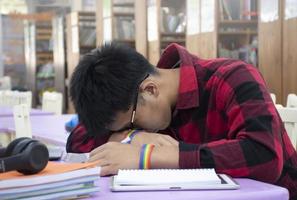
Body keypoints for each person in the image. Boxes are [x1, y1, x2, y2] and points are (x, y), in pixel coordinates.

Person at [67, 43, 297, 199]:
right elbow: (77, 141)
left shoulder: (232, 77)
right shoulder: (133, 100)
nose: (135, 128)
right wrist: (132, 136)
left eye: (132, 122)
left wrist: (146, 156)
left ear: (150, 89)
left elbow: (264, 156)